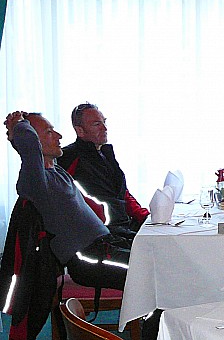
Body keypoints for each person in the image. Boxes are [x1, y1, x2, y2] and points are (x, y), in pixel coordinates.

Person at [4, 111, 131, 291]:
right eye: (49, 132)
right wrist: (18, 125)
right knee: (153, 272)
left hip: (105, 247)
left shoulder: (57, 173)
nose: (59, 136)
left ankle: (159, 318)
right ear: (33, 141)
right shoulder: (35, 183)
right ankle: (158, 319)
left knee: (160, 259)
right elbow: (29, 148)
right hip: (87, 259)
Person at [58, 102, 149, 239]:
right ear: (80, 131)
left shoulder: (105, 153)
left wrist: (144, 217)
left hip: (124, 225)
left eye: (104, 122)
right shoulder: (68, 158)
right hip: (101, 234)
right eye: (97, 124)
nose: (105, 128)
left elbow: (122, 193)